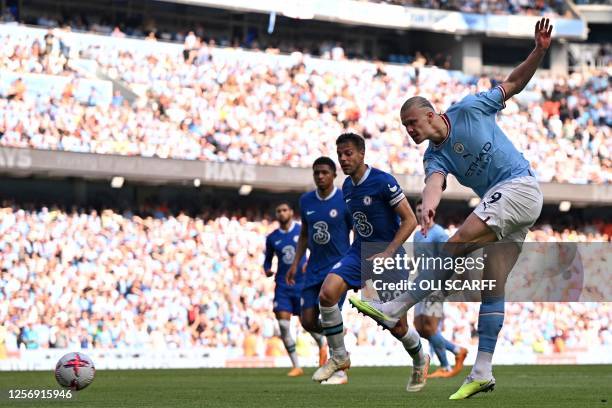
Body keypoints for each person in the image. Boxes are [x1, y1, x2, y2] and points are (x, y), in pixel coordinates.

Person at [351, 18, 551, 399]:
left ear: (431, 114)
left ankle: (396, 307)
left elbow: (512, 84)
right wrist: (427, 209)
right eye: (404, 127)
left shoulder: (470, 108)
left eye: (412, 123)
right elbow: (434, 184)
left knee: (455, 243)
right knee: (493, 286)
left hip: (519, 187)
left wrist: (539, 51)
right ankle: (482, 370)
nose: (409, 131)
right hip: (508, 201)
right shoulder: (434, 156)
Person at [313, 133, 430, 392]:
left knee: (397, 326)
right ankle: (339, 356)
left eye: (348, 154)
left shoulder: (383, 182)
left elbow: (410, 220)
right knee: (327, 292)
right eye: (340, 154)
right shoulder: (347, 187)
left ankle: (421, 358)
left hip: (389, 255)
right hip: (359, 253)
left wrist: (388, 252)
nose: (343, 159)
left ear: (361, 154)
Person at [286, 156, 353, 384]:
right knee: (307, 320)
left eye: (325, 172)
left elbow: (358, 232)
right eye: (316, 173)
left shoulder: (345, 199)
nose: (320, 176)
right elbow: (304, 233)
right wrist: (296, 262)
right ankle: (338, 345)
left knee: (328, 315)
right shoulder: (306, 201)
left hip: (337, 269)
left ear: (334, 175)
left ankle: (341, 370)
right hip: (313, 267)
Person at [411, 200, 468, 379]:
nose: (421, 213)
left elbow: (450, 258)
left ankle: (447, 362)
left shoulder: (439, 234)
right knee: (420, 327)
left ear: (431, 213)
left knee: (429, 325)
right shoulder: (417, 235)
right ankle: (455, 352)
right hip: (421, 284)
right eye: (418, 210)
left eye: (424, 210)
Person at [263, 202, 308, 377]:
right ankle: (296, 365)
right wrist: (267, 269)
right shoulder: (272, 237)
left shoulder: (301, 231)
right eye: (278, 211)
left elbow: (315, 250)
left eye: (284, 210)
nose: (281, 213)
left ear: (291, 212)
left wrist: (310, 264)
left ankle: (322, 345)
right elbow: (267, 260)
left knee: (308, 323)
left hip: (302, 284)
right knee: (283, 325)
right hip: (282, 285)